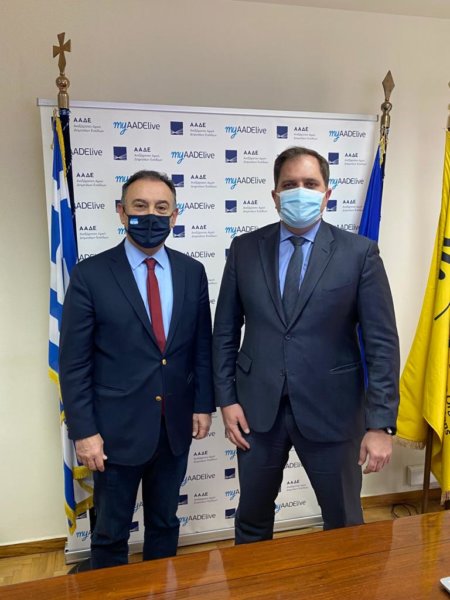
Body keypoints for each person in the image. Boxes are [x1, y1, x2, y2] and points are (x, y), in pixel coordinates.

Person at [213, 146, 399, 543]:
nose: (300, 191)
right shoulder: (244, 249)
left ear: (327, 193)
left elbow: (382, 344)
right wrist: (226, 400)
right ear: (275, 195)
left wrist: (381, 424)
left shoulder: (359, 254)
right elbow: (225, 332)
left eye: (310, 184)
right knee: (251, 522)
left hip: (334, 412)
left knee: (344, 524)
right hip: (257, 413)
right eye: (290, 184)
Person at [60, 170, 214, 568]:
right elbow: (74, 362)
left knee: (165, 523)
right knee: (110, 532)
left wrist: (202, 405)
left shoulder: (191, 271)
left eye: (161, 208)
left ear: (175, 215)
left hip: (173, 427)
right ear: (121, 211)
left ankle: (159, 590)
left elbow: (201, 346)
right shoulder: (90, 275)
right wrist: (84, 432)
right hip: (114, 433)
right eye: (140, 206)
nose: (151, 216)